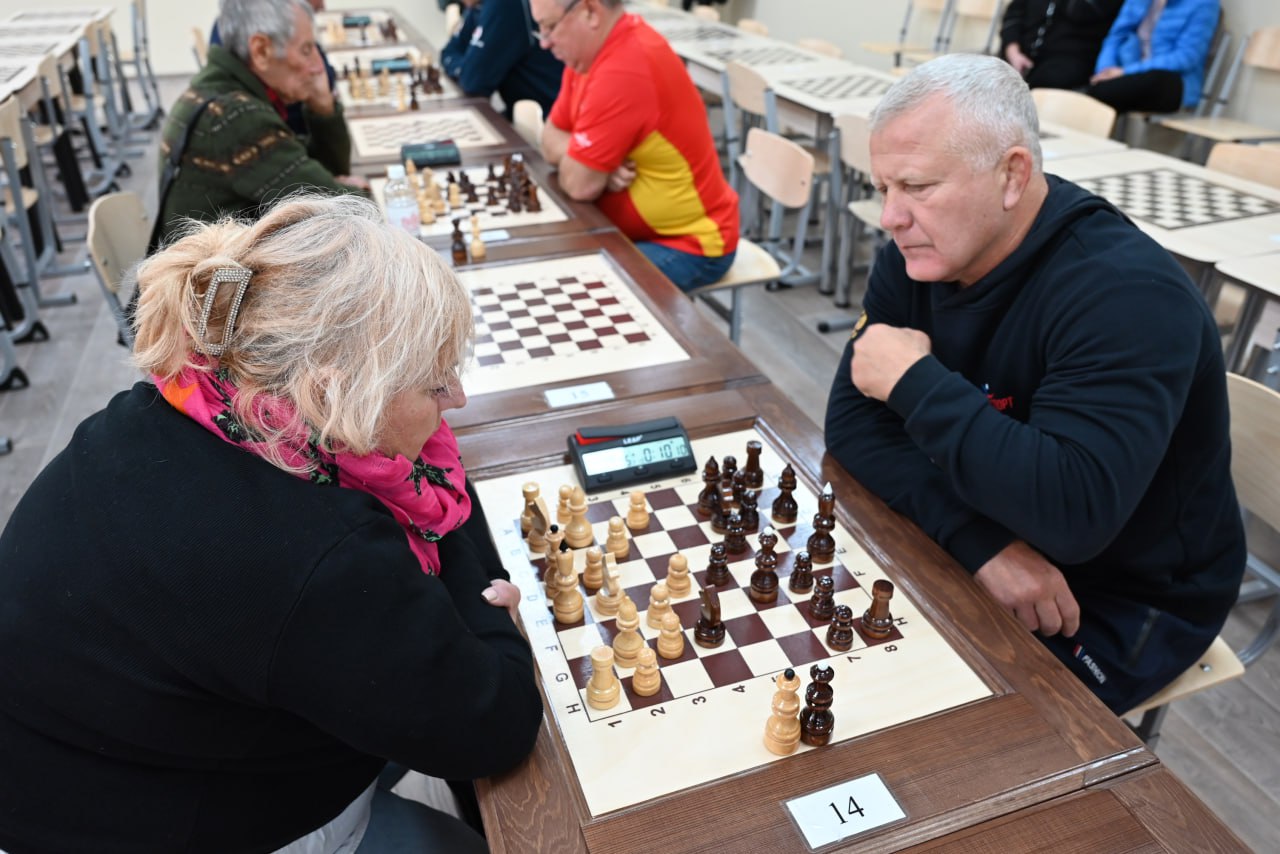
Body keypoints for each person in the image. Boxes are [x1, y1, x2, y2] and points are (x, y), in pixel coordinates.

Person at [0, 194, 543, 852]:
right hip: (143, 821)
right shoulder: (312, 552)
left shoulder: (192, 397)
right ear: (331, 394)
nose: (456, 397)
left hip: (92, 762)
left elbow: (434, 494)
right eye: (434, 382)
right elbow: (498, 726)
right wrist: (496, 616)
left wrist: (439, 533)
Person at [823, 54, 1244, 714]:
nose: (890, 217)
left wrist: (912, 381)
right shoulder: (918, 252)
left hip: (1122, 590)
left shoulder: (1126, 296)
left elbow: (1072, 516)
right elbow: (852, 424)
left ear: (1013, 175)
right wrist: (979, 540)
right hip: (991, 518)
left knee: (930, 730)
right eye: (883, 188)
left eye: (917, 186)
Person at [533, 0, 739, 292]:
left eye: (550, 27)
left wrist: (587, 163)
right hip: (624, 229)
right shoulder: (585, 57)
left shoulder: (624, 68)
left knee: (580, 292)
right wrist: (589, 156)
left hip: (689, 245)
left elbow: (579, 184)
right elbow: (548, 139)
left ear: (590, 12)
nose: (545, 43)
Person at [155, 0, 368, 247]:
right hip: (211, 280)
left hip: (221, 262)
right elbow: (345, 212)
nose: (317, 67)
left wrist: (323, 110)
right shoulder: (234, 117)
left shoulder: (224, 91)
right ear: (261, 51)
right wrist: (364, 191)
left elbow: (328, 177)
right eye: (307, 50)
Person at [210, 0, 338, 135]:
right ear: (262, 51)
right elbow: (323, 81)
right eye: (305, 51)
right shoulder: (248, 120)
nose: (323, 5)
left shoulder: (236, 20)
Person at [1086, 0, 1220, 112]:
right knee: (1103, 90)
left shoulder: (1205, 4)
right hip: (1127, 73)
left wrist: (1125, 72)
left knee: (1105, 93)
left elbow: (1186, 57)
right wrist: (1105, 69)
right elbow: (1116, 36)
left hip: (1173, 80)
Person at [440, 0, 564, 119]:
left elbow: (473, 82)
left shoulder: (505, 4)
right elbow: (448, 52)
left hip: (546, 118)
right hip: (519, 115)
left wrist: (464, 67)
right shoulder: (477, 6)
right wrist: (465, 67)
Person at [1000, 0, 1124, 90]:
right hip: (1017, 54)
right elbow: (1014, 14)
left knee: (1045, 84)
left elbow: (1080, 11)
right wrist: (1013, 51)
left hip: (1069, 60)